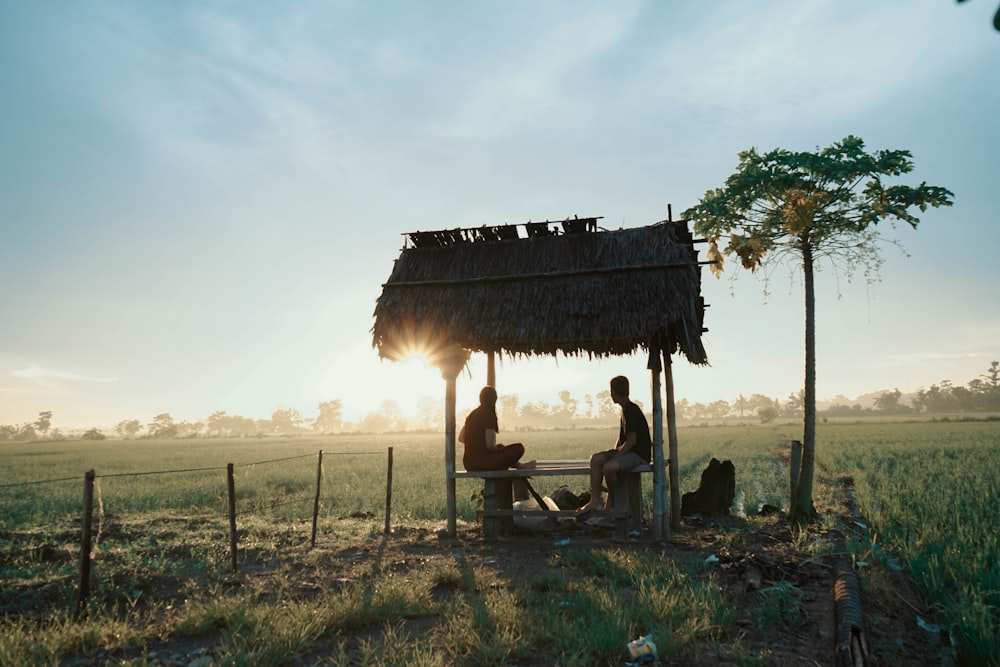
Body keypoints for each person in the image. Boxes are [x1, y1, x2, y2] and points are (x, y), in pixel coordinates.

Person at [579, 375, 652, 513]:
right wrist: (612, 453)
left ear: (615, 392)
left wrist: (615, 457)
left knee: (608, 468)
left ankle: (613, 499)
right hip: (628, 451)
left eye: (611, 391)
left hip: (638, 454)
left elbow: (632, 441)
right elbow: (622, 440)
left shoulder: (631, 410)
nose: (610, 394)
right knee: (596, 459)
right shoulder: (625, 409)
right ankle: (594, 500)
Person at [459, 386, 535, 471]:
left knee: (501, 447)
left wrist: (477, 445)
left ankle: (520, 466)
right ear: (494, 399)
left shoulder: (472, 414)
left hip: (468, 463)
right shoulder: (489, 414)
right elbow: (490, 446)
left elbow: (461, 438)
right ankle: (520, 466)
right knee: (519, 448)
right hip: (481, 463)